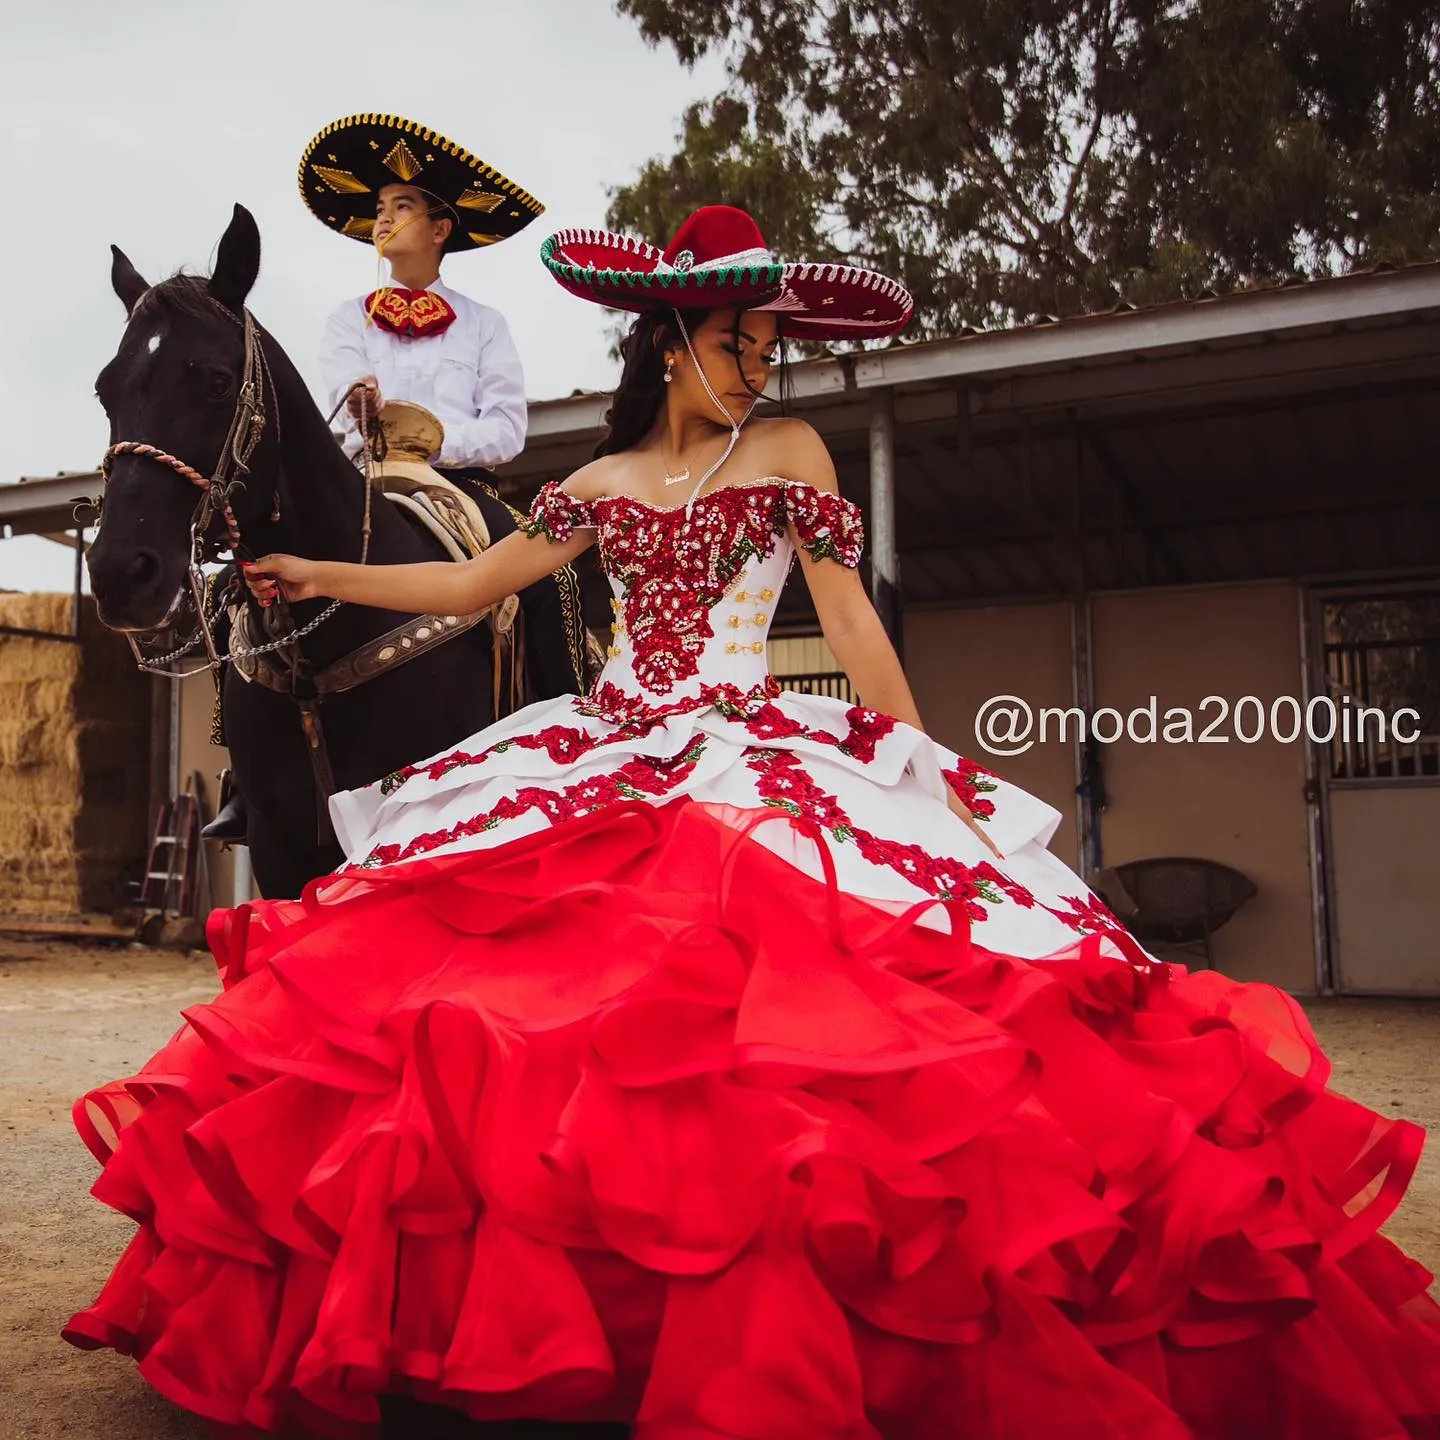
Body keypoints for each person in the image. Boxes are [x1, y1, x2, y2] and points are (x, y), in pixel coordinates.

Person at [69, 205, 1440, 1438]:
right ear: (672, 343)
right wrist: (313, 568)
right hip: (609, 746)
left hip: (753, 739)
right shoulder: (598, 486)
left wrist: (920, 758)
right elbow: (478, 581)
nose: (760, 362)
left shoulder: (790, 447)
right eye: (737, 340)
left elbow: (845, 620)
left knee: (794, 1026)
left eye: (768, 341)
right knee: (506, 1011)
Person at [203, 114, 588, 841]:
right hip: (360, 478)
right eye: (378, 208)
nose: (383, 219)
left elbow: (507, 430)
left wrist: (437, 439)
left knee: (549, 572)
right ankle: (244, 774)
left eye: (400, 206)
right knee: (240, 584)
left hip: (455, 483)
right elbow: (336, 415)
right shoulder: (346, 319)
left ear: (441, 228)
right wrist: (363, 409)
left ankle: (569, 728)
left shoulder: (486, 325)